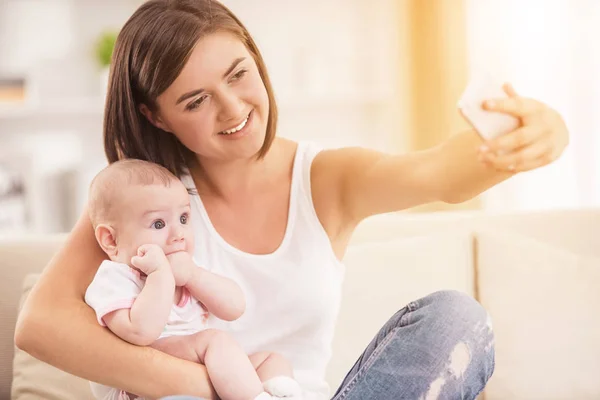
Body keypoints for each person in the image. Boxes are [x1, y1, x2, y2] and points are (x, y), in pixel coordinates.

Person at [14, 0, 569, 399]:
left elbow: (439, 173)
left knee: (456, 319)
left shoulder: (325, 178)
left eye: (239, 75)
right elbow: (40, 324)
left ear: (258, 60)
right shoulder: (140, 204)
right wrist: (211, 384)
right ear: (155, 116)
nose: (233, 110)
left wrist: (541, 134)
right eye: (196, 100)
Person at [84, 159, 302, 400]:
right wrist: (160, 276)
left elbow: (235, 307)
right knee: (214, 341)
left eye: (184, 219)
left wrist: (194, 276)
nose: (178, 234)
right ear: (111, 241)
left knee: (271, 360)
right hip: (148, 383)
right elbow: (140, 333)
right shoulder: (114, 278)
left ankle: (279, 395)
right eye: (158, 224)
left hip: (201, 370)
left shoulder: (189, 271)